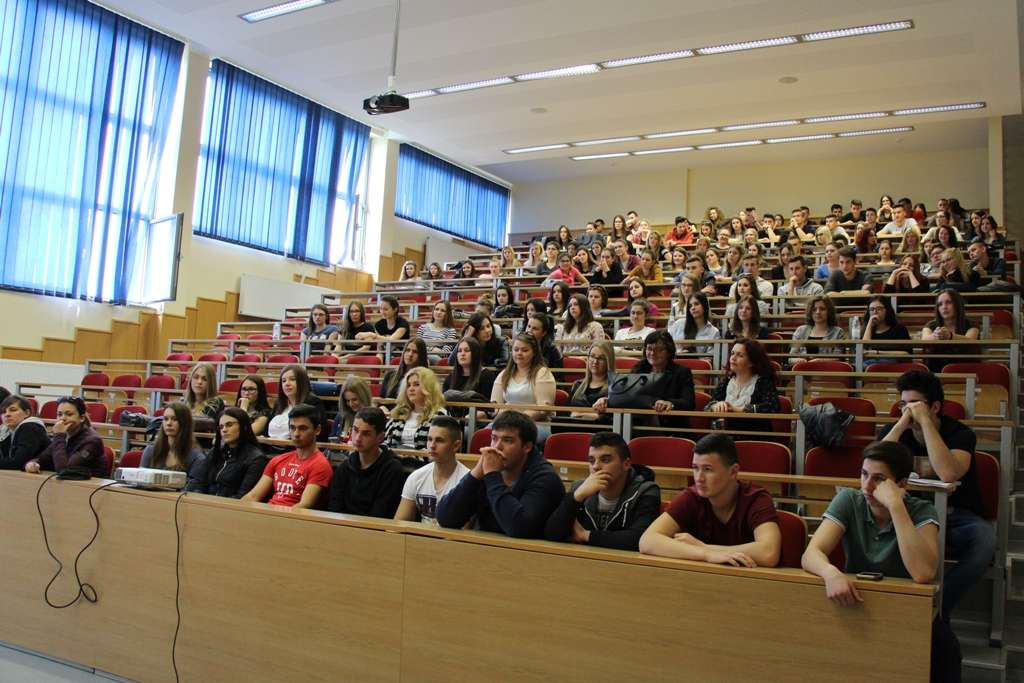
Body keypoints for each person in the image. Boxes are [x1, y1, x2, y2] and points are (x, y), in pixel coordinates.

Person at [800, 442, 960, 682]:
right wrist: (830, 573)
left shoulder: (922, 511)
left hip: (906, 610)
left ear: (901, 484)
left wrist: (896, 506)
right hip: (856, 603)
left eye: (878, 479)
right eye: (864, 474)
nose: (866, 486)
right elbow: (811, 554)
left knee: (946, 649)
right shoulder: (849, 500)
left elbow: (923, 573)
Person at [880, 370, 994, 618]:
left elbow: (948, 473)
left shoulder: (961, 434)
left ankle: (936, 611)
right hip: (910, 513)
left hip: (955, 515)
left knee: (985, 540)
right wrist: (902, 425)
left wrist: (926, 424)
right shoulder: (896, 431)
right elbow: (875, 464)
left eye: (914, 404)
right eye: (903, 404)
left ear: (935, 407)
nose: (907, 410)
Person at [639, 433, 781, 567]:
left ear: (733, 471)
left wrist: (704, 546)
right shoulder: (691, 496)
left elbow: (769, 552)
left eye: (708, 469)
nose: (699, 478)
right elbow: (647, 541)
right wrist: (706, 554)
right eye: (695, 468)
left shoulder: (756, 499)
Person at [437, 410, 563, 537]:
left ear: (527, 447)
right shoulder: (486, 471)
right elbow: (446, 518)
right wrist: (475, 475)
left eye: (507, 440)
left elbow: (519, 527)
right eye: (494, 438)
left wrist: (492, 476)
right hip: (484, 550)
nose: (497, 447)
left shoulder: (545, 478)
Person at [543, 431, 661, 550]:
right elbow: (552, 534)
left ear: (626, 464)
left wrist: (587, 536)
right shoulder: (580, 489)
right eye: (591, 460)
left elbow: (639, 539)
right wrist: (576, 497)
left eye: (605, 460)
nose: (595, 466)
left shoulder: (646, 491)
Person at [242, 403, 333, 509]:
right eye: (292, 428)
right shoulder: (278, 460)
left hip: (294, 520)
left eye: (302, 428)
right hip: (269, 514)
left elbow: (305, 505)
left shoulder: (320, 464)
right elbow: (253, 496)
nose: (296, 434)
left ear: (317, 430)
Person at [327, 407, 406, 517]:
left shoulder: (392, 470)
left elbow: (381, 514)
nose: (358, 438)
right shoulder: (344, 467)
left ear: (380, 437)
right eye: (355, 430)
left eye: (366, 433)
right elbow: (334, 508)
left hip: (373, 530)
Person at [394, 416, 470, 525]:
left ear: (456, 445)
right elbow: (399, 524)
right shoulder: (416, 476)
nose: (432, 446)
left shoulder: (466, 481)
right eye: (429, 439)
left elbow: (466, 531)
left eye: (439, 440)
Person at [707, 339, 780, 434]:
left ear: (752, 362)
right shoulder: (726, 381)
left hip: (755, 436)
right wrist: (716, 405)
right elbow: (708, 406)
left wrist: (737, 409)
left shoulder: (763, 382)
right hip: (726, 436)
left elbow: (772, 407)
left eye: (740, 355)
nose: (733, 358)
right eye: (732, 353)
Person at [626, 330, 695, 430]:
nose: (653, 353)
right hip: (638, 427)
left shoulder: (681, 373)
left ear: (669, 351)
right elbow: (625, 395)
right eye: (649, 349)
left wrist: (670, 403)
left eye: (659, 350)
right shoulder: (638, 369)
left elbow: (689, 403)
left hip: (671, 427)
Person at [491, 333, 557, 437]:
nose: (519, 353)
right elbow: (495, 406)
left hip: (535, 424)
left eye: (524, 350)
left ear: (534, 352)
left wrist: (517, 418)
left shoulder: (543, 373)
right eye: (516, 350)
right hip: (505, 422)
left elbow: (544, 409)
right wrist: (506, 416)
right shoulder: (504, 373)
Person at [24, 396, 105, 477]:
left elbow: (64, 471)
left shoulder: (93, 441)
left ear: (82, 418)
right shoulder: (64, 435)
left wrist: (59, 435)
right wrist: (32, 464)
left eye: (69, 414)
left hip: (90, 487)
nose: (62, 418)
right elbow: (41, 459)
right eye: (59, 414)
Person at [140, 402, 208, 492]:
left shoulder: (197, 458)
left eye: (174, 419)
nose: (168, 423)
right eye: (165, 419)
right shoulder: (151, 450)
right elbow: (140, 482)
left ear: (184, 423)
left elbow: (192, 491)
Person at [204, 407, 268, 498]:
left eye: (229, 425)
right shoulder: (215, 452)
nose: (224, 430)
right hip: (205, 504)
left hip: (231, 508)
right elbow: (199, 482)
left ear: (244, 426)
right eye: (221, 427)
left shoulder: (256, 459)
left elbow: (242, 496)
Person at [384, 367, 447, 450]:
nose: (411, 389)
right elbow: (386, 442)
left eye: (416, 384)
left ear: (428, 388)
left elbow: (438, 449)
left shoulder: (439, 415)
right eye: (409, 385)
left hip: (423, 461)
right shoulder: (399, 412)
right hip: (395, 460)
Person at [921, 289, 979, 372]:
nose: (944, 307)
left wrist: (950, 336)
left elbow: (971, 340)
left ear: (957, 304)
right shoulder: (931, 325)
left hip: (965, 369)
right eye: (940, 304)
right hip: (935, 370)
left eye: (949, 302)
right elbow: (924, 340)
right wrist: (936, 335)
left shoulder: (971, 324)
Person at [265, 364, 324, 442]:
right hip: (269, 448)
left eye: (292, 379)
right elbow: (265, 431)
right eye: (284, 381)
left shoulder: (313, 402)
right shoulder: (279, 404)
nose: (287, 384)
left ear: (302, 382)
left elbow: (319, 435)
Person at [789, 296, 848, 365]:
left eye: (822, 309)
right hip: (802, 370)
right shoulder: (800, 330)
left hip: (827, 371)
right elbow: (791, 358)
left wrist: (819, 361)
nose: (818, 312)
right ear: (810, 312)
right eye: (814, 309)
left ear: (829, 311)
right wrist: (797, 360)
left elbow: (838, 358)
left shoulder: (838, 332)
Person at [568, 341, 615, 422]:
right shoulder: (577, 385)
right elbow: (565, 414)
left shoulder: (615, 388)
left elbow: (614, 419)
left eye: (601, 358)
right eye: (592, 356)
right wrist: (592, 415)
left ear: (609, 361)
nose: (595, 362)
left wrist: (581, 415)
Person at [0, 395, 49, 470]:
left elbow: (18, 462)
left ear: (27, 413)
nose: (7, 414)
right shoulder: (5, 430)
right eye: (3, 412)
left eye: (13, 410)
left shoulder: (30, 427)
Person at [861, 296, 911, 365]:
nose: (875, 312)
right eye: (872, 309)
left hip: (893, 364)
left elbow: (906, 354)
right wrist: (869, 323)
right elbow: (864, 348)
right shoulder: (867, 330)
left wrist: (877, 352)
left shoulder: (899, 329)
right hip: (870, 364)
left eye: (879, 309)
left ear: (887, 310)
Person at [329, 374, 373, 442]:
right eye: (347, 400)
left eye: (354, 399)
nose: (351, 404)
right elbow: (332, 442)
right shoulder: (341, 416)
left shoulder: (375, 417)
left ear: (364, 397)